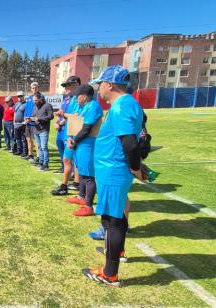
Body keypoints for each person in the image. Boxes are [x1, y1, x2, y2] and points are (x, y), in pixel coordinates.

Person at [82, 65, 143, 287]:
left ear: (110, 85)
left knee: (111, 221)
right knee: (116, 216)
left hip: (113, 169)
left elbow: (129, 142)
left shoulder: (120, 107)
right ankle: (117, 251)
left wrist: (136, 166)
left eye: (100, 85)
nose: (99, 90)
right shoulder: (127, 104)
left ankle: (109, 274)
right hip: (113, 169)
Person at [66, 85, 103, 217]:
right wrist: (71, 138)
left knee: (88, 176)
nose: (76, 98)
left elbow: (86, 129)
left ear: (85, 96)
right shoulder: (83, 107)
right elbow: (75, 123)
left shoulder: (93, 106)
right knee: (81, 172)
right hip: (80, 144)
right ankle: (82, 197)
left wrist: (74, 141)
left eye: (78, 95)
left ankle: (88, 206)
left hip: (88, 145)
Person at [51, 76, 82, 195]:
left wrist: (63, 117)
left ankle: (73, 184)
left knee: (73, 160)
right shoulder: (68, 99)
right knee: (68, 159)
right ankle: (70, 185)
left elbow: (76, 116)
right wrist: (58, 120)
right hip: (67, 133)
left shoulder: (78, 99)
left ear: (76, 85)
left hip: (73, 134)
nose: (66, 88)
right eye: (65, 86)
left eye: (68, 85)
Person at [31, 92, 54, 171]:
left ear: (40, 98)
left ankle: (46, 164)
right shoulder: (35, 107)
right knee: (39, 147)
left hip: (44, 129)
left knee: (44, 147)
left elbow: (51, 116)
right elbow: (34, 116)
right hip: (36, 129)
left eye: (36, 100)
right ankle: (41, 163)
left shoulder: (47, 105)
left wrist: (40, 119)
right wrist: (30, 119)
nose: (35, 102)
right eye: (33, 100)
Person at [23, 91, 37, 162]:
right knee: (28, 139)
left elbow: (39, 110)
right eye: (32, 88)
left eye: (35, 87)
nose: (34, 89)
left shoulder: (40, 97)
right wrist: (25, 117)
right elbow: (26, 108)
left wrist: (32, 118)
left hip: (34, 123)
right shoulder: (29, 98)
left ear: (38, 88)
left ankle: (38, 157)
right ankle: (30, 155)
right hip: (27, 122)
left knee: (36, 141)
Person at [13, 91, 27, 157]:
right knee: (18, 138)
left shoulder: (26, 104)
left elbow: (27, 114)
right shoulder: (16, 104)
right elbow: (15, 113)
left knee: (24, 139)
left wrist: (25, 122)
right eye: (18, 96)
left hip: (23, 124)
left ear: (23, 96)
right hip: (16, 124)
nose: (19, 97)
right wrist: (14, 121)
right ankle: (19, 150)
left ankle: (25, 152)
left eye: (20, 96)